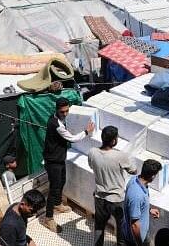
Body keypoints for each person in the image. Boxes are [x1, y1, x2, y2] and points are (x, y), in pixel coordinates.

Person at [41, 98, 95, 233]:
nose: (65, 114)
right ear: (57, 110)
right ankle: (48, 218)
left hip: (59, 158)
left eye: (67, 111)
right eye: (62, 112)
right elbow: (72, 138)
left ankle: (58, 204)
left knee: (62, 181)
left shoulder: (57, 119)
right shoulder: (56, 124)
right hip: (53, 161)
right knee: (54, 188)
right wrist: (87, 132)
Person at [88, 126, 137, 246]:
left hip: (100, 197)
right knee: (121, 228)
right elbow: (134, 171)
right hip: (116, 200)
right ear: (114, 141)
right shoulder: (121, 156)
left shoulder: (92, 152)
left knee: (99, 226)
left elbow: (91, 166)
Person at [122, 159, 162, 246]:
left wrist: (149, 209)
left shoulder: (134, 180)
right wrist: (139, 244)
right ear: (152, 176)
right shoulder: (137, 195)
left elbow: (136, 206)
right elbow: (134, 225)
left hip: (141, 235)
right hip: (136, 240)